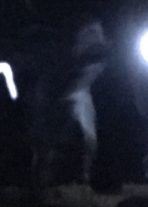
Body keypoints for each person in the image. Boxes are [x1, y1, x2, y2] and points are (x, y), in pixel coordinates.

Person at [26, 18, 110, 193]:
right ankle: (42, 182)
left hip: (80, 99)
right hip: (59, 103)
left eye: (96, 33)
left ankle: (83, 178)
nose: (93, 38)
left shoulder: (104, 62)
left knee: (87, 138)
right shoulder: (62, 65)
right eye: (89, 33)